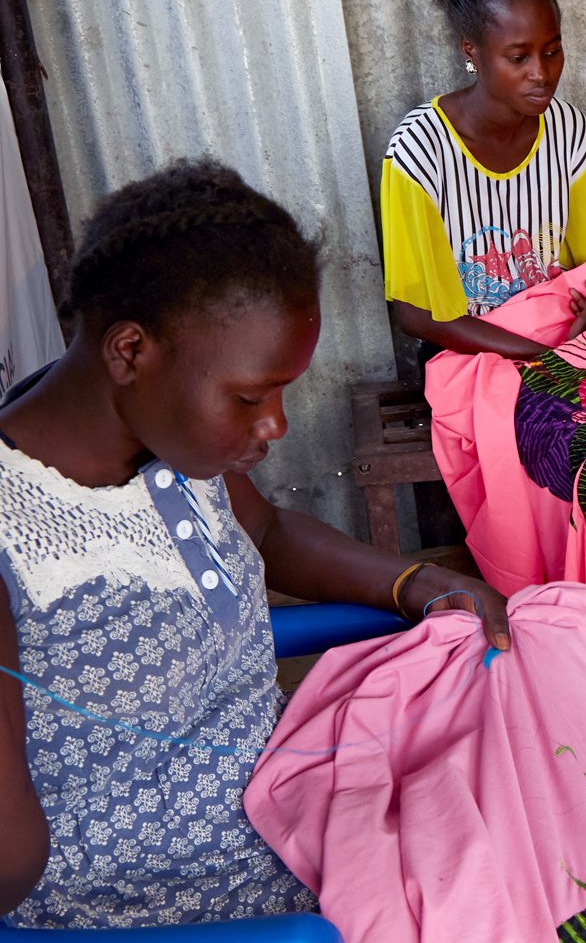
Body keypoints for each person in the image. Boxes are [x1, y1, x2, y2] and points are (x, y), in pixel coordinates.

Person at [0, 160, 514, 928]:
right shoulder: (17, 534)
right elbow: (12, 863)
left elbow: (265, 531)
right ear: (130, 351)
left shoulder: (160, 438)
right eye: (249, 397)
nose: (275, 425)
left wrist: (414, 582)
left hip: (297, 798)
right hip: (187, 906)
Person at [381, 0, 586, 360]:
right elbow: (416, 315)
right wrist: (547, 358)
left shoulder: (571, 135)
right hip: (465, 355)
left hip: (568, 337)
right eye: (518, 57)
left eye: (552, 52)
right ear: (470, 51)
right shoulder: (419, 151)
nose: (541, 74)